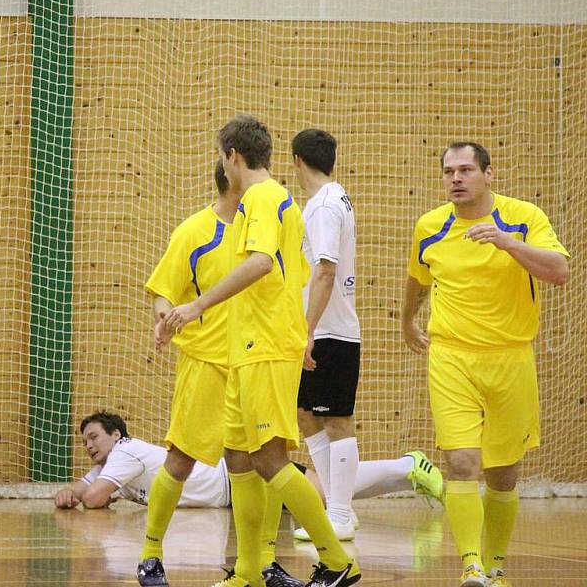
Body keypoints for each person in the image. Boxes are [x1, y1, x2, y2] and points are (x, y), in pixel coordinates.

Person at [165, 115, 360, 587]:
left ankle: (337, 562)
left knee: (271, 459)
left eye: (220, 156)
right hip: (251, 345)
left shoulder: (262, 196)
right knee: (240, 455)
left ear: (232, 156)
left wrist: (197, 305)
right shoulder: (275, 198)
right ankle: (249, 571)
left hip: (266, 345)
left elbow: (259, 263)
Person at [402, 142, 569, 587]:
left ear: (488, 175)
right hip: (451, 355)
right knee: (460, 462)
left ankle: (496, 566)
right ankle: (471, 565)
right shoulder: (430, 227)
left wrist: (505, 242)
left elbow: (559, 272)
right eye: (448, 172)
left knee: (504, 472)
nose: (456, 178)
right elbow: (418, 279)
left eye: (466, 170)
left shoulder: (523, 218)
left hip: (510, 357)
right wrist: (406, 322)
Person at [135, 161, 302, 587]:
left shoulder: (263, 226)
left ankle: (262, 564)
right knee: (181, 458)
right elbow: (163, 289)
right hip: (207, 362)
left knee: (260, 462)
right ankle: (151, 554)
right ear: (232, 177)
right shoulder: (195, 231)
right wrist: (165, 318)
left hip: (258, 360)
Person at [291, 129, 443, 542]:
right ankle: (336, 509)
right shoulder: (331, 198)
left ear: (297, 161)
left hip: (329, 329)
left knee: (336, 420)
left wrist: (306, 330)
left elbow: (324, 269)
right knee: (308, 417)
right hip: (321, 327)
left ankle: (339, 514)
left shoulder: (323, 205)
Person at [56, 411, 437, 512]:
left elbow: (94, 498)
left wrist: (80, 496)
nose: (89, 446)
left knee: (327, 492)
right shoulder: (109, 464)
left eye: (94, 437)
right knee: (329, 498)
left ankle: (407, 464)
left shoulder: (123, 453)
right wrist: (66, 492)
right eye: (85, 441)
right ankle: (409, 477)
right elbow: (84, 487)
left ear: (116, 436)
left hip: (239, 475)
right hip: (232, 497)